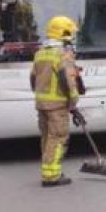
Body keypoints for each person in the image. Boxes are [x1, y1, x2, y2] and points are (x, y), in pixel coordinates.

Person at [31, 16, 83, 187]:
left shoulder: (40, 54)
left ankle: (48, 171)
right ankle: (52, 175)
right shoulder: (62, 55)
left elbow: (32, 78)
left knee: (47, 138)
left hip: (42, 104)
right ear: (64, 34)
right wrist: (73, 102)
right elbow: (68, 81)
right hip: (58, 106)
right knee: (58, 138)